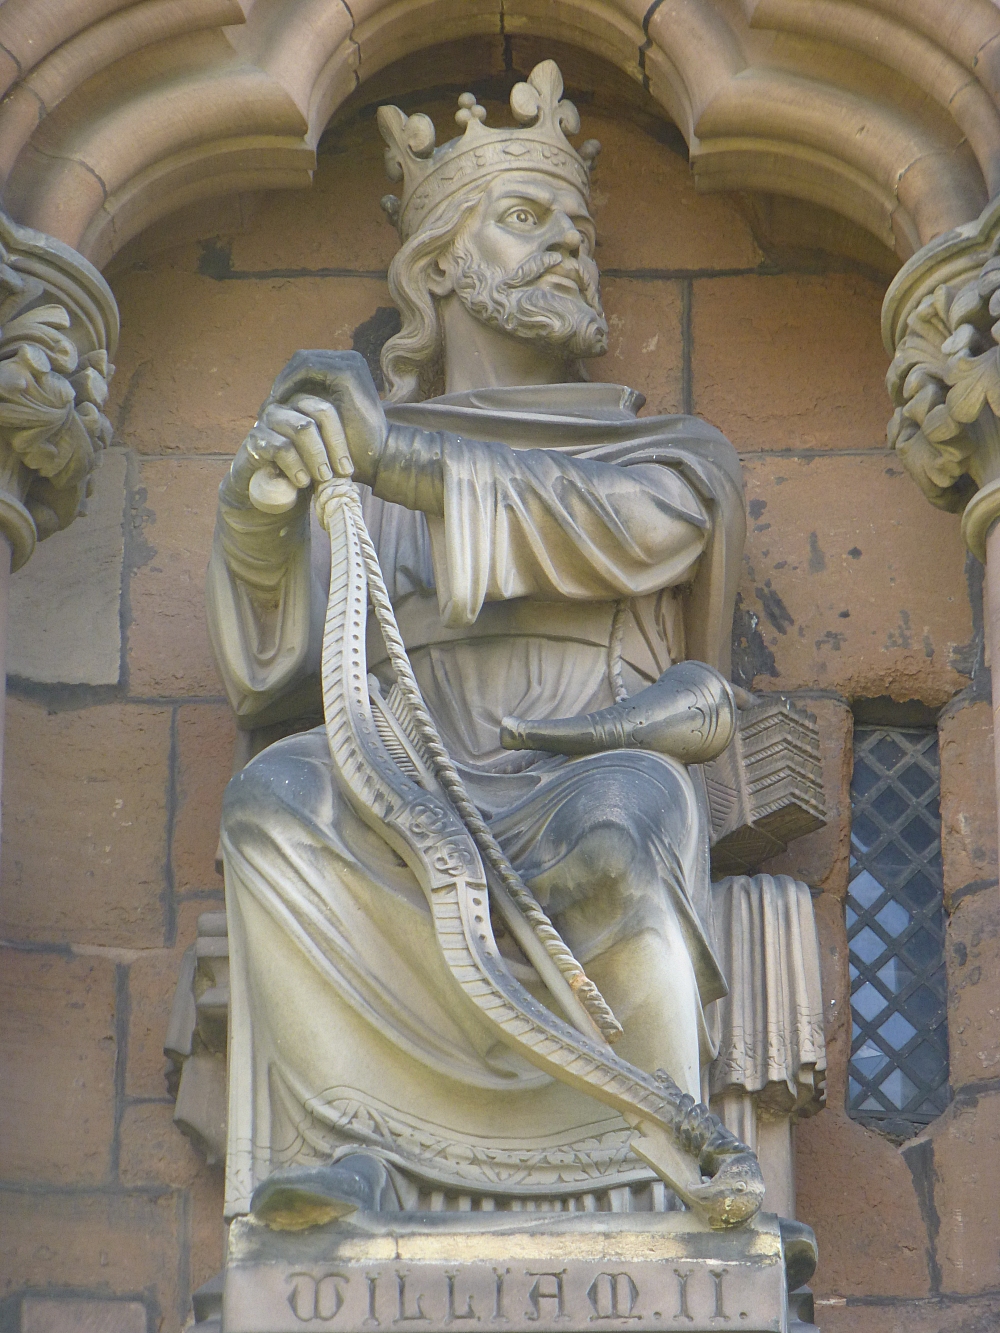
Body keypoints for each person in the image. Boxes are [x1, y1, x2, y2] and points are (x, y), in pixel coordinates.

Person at [207, 61, 747, 1231]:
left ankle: (659, 1157)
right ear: (439, 266)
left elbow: (623, 530)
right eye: (524, 218)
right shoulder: (366, 466)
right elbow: (282, 667)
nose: (567, 245)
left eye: (576, 226)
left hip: (577, 770)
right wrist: (261, 508)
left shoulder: (660, 454)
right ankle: (359, 1154)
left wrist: (387, 459)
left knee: (620, 827)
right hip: (401, 788)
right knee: (274, 798)